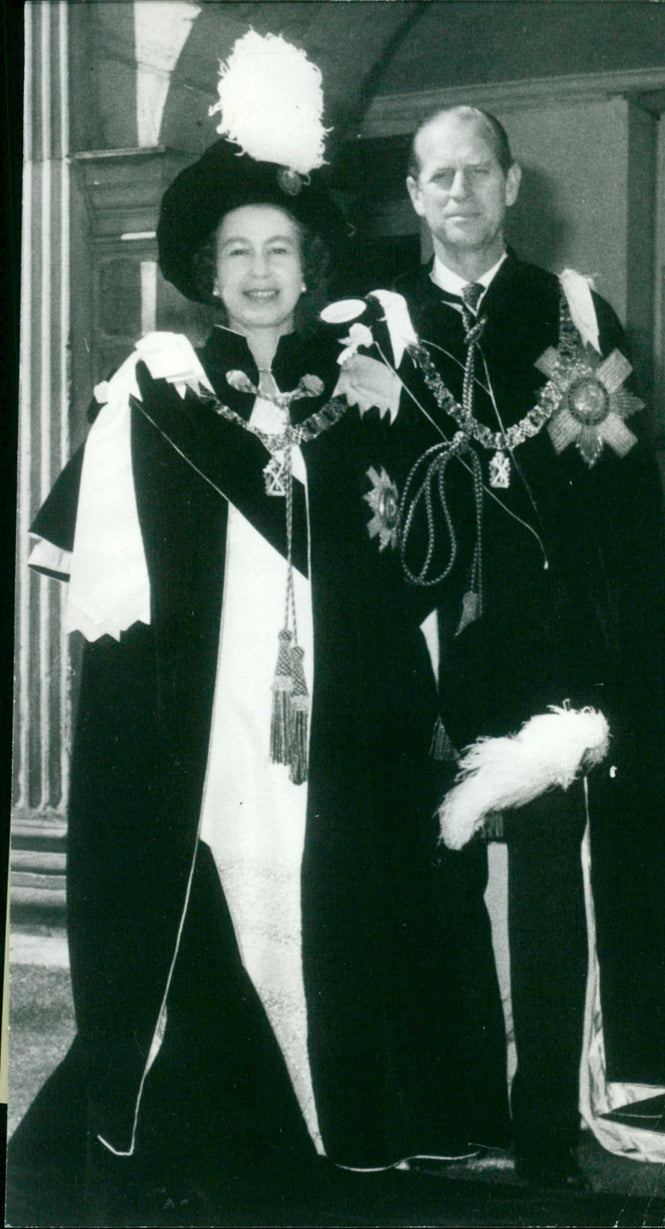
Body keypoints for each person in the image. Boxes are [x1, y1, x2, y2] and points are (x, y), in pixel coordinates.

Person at [5, 44, 505, 1226]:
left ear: (309, 263)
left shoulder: (368, 388)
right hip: (206, 718)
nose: (260, 271)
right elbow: (101, 591)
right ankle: (197, 1121)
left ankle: (339, 1118)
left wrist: (407, 419)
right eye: (236, 252)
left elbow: (428, 558)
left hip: (337, 720)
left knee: (326, 897)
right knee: (213, 896)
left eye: (279, 249)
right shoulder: (158, 386)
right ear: (204, 272)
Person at [387, 104, 665, 1187]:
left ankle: (541, 1124)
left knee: (547, 896)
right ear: (412, 193)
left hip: (549, 666)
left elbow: (621, 513)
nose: (459, 193)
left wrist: (610, 679)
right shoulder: (374, 330)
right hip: (420, 657)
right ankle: (450, 1112)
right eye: (438, 176)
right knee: (428, 888)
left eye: (478, 171)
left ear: (512, 182)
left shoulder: (574, 314)